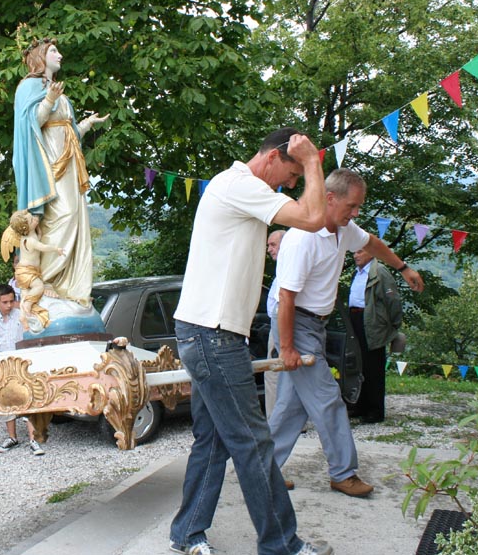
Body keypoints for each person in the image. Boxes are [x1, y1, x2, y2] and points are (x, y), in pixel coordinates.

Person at [169, 127, 332, 555]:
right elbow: (314, 218)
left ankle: (187, 532)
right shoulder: (242, 185)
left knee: (215, 439)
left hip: (204, 331)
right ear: (275, 156)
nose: (293, 184)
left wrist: (305, 164)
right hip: (213, 335)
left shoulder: (236, 187)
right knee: (253, 441)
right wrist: (312, 162)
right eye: (292, 174)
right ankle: (282, 545)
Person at [269, 169, 424, 499]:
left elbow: (373, 243)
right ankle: (343, 473)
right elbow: (286, 298)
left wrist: (403, 268)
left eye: (358, 207)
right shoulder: (303, 238)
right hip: (295, 323)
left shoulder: (343, 229)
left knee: (291, 406)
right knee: (328, 400)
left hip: (315, 324)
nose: (356, 213)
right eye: (351, 206)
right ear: (329, 198)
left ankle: (262, 471)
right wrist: (287, 348)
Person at [12, 37, 107, 307]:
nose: (60, 55)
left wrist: (86, 124)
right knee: (61, 215)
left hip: (69, 164)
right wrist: (49, 99)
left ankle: (70, 286)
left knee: (75, 216)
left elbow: (69, 131)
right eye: (54, 51)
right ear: (41, 56)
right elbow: (31, 123)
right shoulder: (29, 87)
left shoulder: (60, 93)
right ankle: (47, 278)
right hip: (48, 165)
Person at [0, 284, 44, 456]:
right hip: (3, 362)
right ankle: (12, 437)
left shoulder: (20, 315)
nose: (9, 305)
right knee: (6, 399)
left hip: (22, 360)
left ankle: (33, 439)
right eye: (5, 302)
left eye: (11, 301)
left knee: (28, 398)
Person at [347, 247, 403, 424]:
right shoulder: (357, 273)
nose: (355, 255)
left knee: (373, 366)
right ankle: (359, 405)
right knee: (359, 364)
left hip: (372, 322)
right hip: (355, 319)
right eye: (354, 252)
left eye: (359, 252)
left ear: (371, 252)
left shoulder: (380, 272)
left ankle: (375, 410)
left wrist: (392, 324)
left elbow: (393, 300)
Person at [1, 209, 67, 329]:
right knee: (39, 287)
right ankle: (28, 304)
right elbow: (42, 247)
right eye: (32, 220)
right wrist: (56, 249)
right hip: (27, 271)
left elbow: (39, 237)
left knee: (25, 293)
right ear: (26, 227)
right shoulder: (30, 241)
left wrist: (39, 230)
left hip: (22, 271)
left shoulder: (27, 237)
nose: (35, 219)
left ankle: (23, 317)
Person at [264, 229, 286, 418]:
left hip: (282, 325)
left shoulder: (288, 269)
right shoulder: (282, 269)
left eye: (273, 245)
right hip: (277, 324)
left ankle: (275, 420)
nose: (269, 249)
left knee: (274, 372)